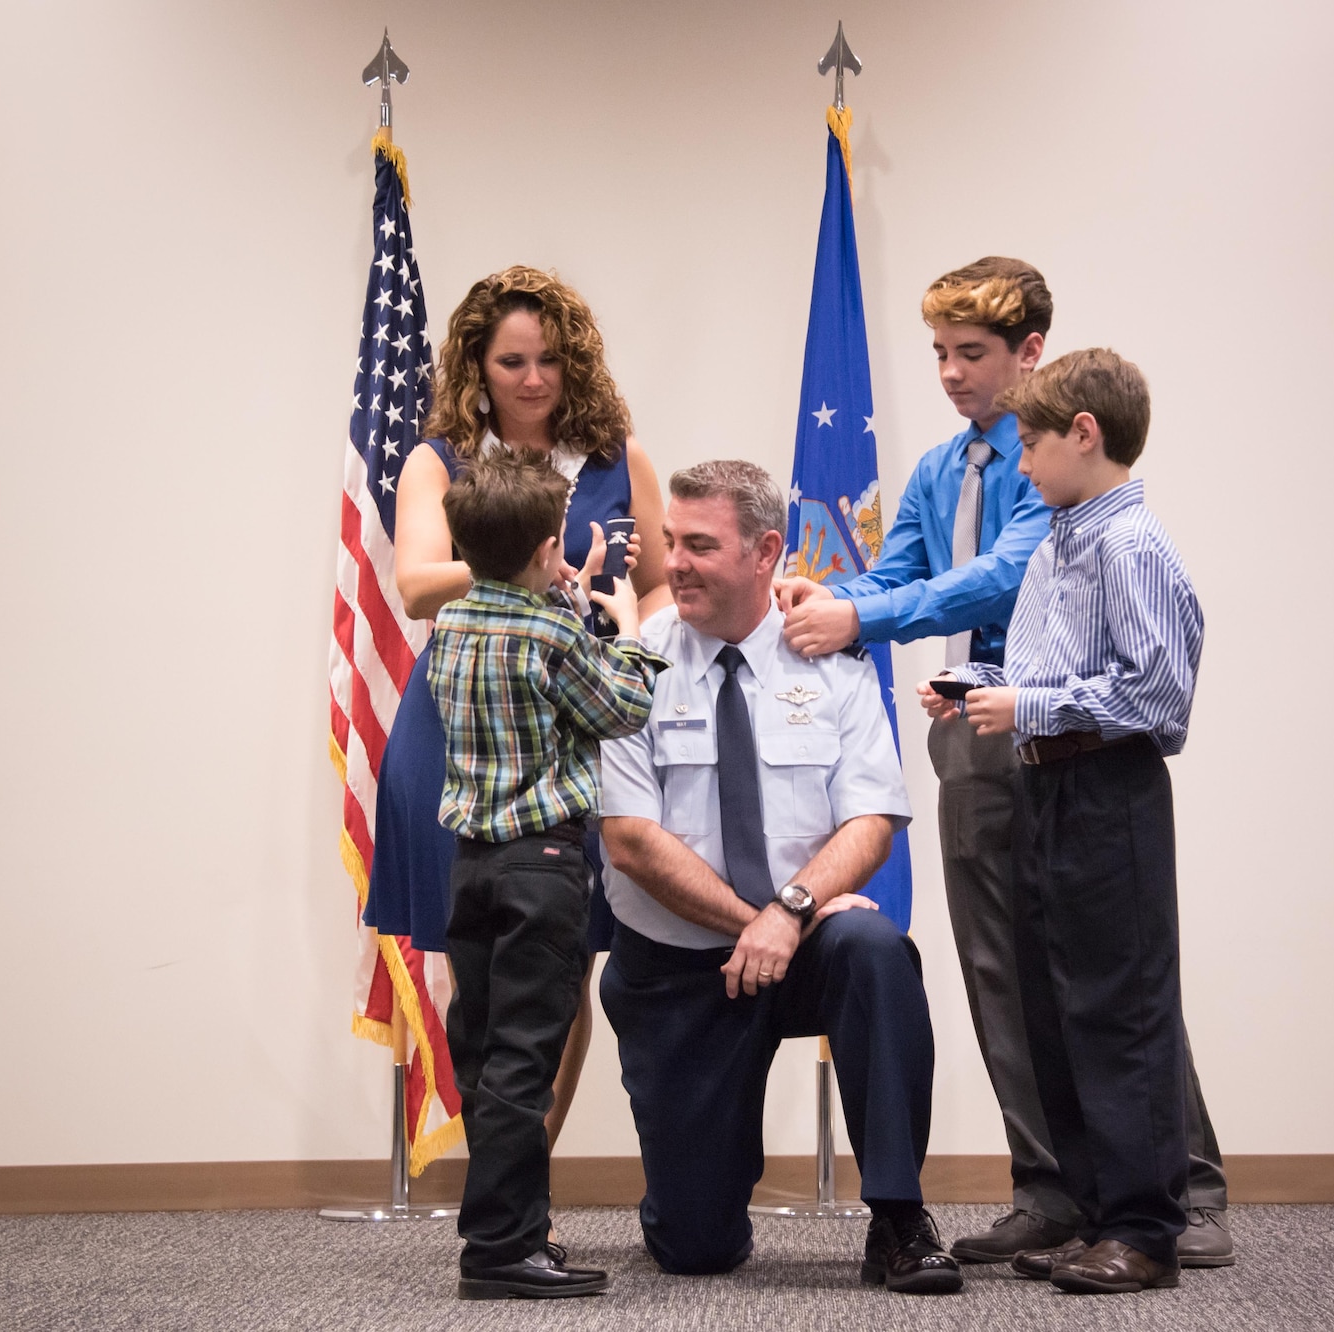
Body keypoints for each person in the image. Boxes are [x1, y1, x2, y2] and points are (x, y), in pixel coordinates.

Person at [778, 258, 1234, 1268]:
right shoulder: (946, 468)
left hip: (1066, 740)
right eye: (937, 352)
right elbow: (898, 567)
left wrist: (865, 615)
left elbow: (994, 577)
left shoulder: (1062, 487)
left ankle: (1175, 1194)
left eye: (969, 353)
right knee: (1007, 972)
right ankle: (1054, 1188)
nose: (948, 373)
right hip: (978, 735)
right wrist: (821, 599)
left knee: (1112, 978)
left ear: (1030, 356)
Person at [597, 460, 962, 1296]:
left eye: (698, 545)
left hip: (802, 940)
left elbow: (874, 817)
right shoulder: (633, 666)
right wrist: (752, 922)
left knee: (874, 948)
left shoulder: (832, 662)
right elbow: (629, 840)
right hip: (683, 967)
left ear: (767, 552)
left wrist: (791, 912)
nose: (674, 563)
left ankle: (900, 1220)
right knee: (695, 1247)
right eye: (669, 544)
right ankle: (694, 1196)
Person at [365, 266, 670, 1148]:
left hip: (581, 713)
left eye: (550, 360)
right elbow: (418, 585)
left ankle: (527, 1167)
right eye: (511, 362)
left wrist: (625, 638)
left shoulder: (620, 457)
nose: (534, 380)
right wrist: (526, 565)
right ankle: (499, 1161)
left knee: (564, 954)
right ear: (476, 366)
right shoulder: (440, 460)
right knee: (483, 956)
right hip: (462, 727)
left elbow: (655, 586)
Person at [921, 348, 1201, 1296]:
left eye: (1032, 443)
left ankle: (1146, 1230)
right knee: (1056, 1005)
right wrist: (981, 688)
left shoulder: (1131, 545)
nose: (1023, 464)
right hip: (1045, 790)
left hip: (1107, 792)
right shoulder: (1057, 542)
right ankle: (1087, 1212)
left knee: (1119, 1010)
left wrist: (1031, 712)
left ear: (1086, 435)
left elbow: (1158, 693)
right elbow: (1049, 676)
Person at [430, 453, 665, 1299]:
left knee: (488, 1053)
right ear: (544, 546)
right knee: (531, 1057)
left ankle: (509, 1229)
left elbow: (522, 670)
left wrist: (563, 591)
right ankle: (501, 1248)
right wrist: (629, 626)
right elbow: (620, 709)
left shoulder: (453, 622)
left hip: (473, 867)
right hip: (546, 864)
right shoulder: (556, 632)